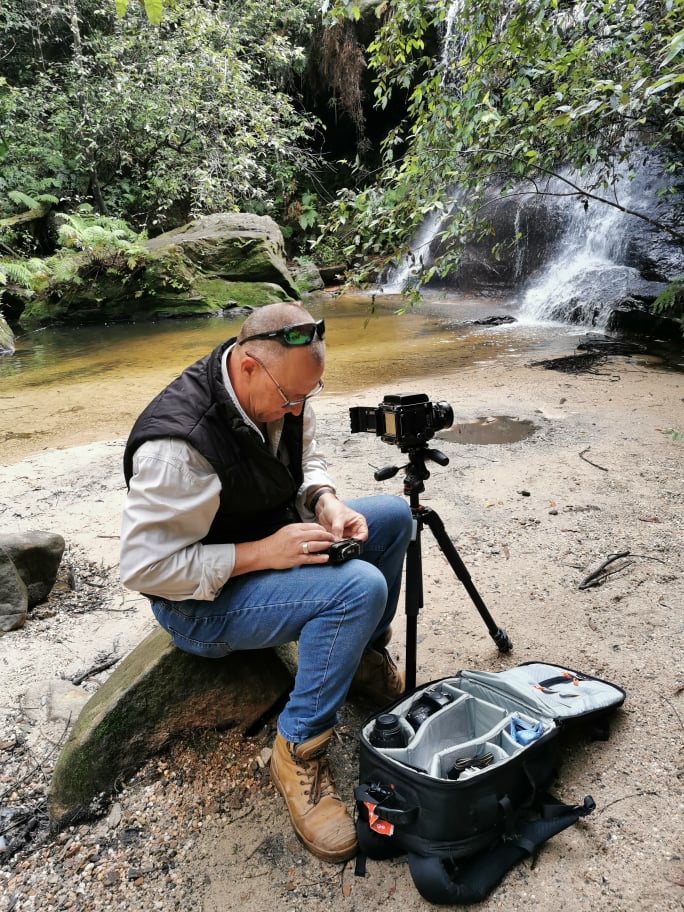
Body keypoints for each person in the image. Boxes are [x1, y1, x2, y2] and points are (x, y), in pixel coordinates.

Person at [120, 301, 413, 863]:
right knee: (359, 588)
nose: (299, 408)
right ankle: (297, 750)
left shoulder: (284, 385)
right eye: (291, 399)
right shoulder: (178, 447)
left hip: (263, 539)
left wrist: (324, 503)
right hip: (196, 604)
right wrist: (262, 553)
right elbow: (143, 569)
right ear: (248, 366)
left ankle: (358, 660)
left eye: (311, 394)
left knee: (392, 519)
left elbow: (306, 459)